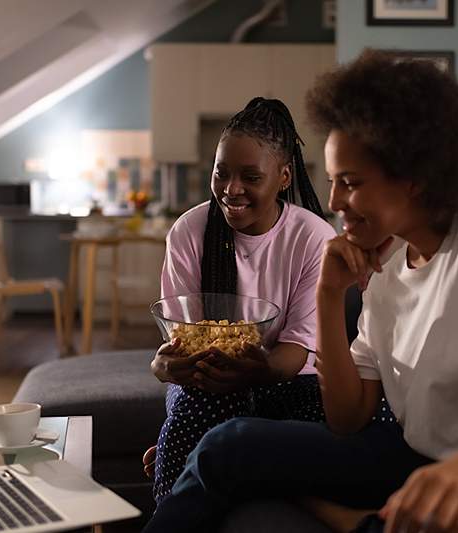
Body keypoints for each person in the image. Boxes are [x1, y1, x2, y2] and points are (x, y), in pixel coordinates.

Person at [142, 50, 458, 533]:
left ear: (416, 179)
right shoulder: (385, 270)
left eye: (351, 183)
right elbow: (347, 417)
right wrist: (329, 295)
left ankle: (360, 523)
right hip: (424, 457)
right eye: (334, 181)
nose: (334, 201)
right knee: (227, 445)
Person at [145, 97, 339, 503]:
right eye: (222, 174)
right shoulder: (190, 231)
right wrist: (163, 365)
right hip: (207, 381)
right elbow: (186, 340)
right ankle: (178, 470)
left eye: (250, 177)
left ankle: (184, 453)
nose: (231, 190)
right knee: (197, 409)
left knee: (320, 422)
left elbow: (294, 353)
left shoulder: (314, 239)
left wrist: (256, 370)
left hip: (289, 378)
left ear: (284, 176)